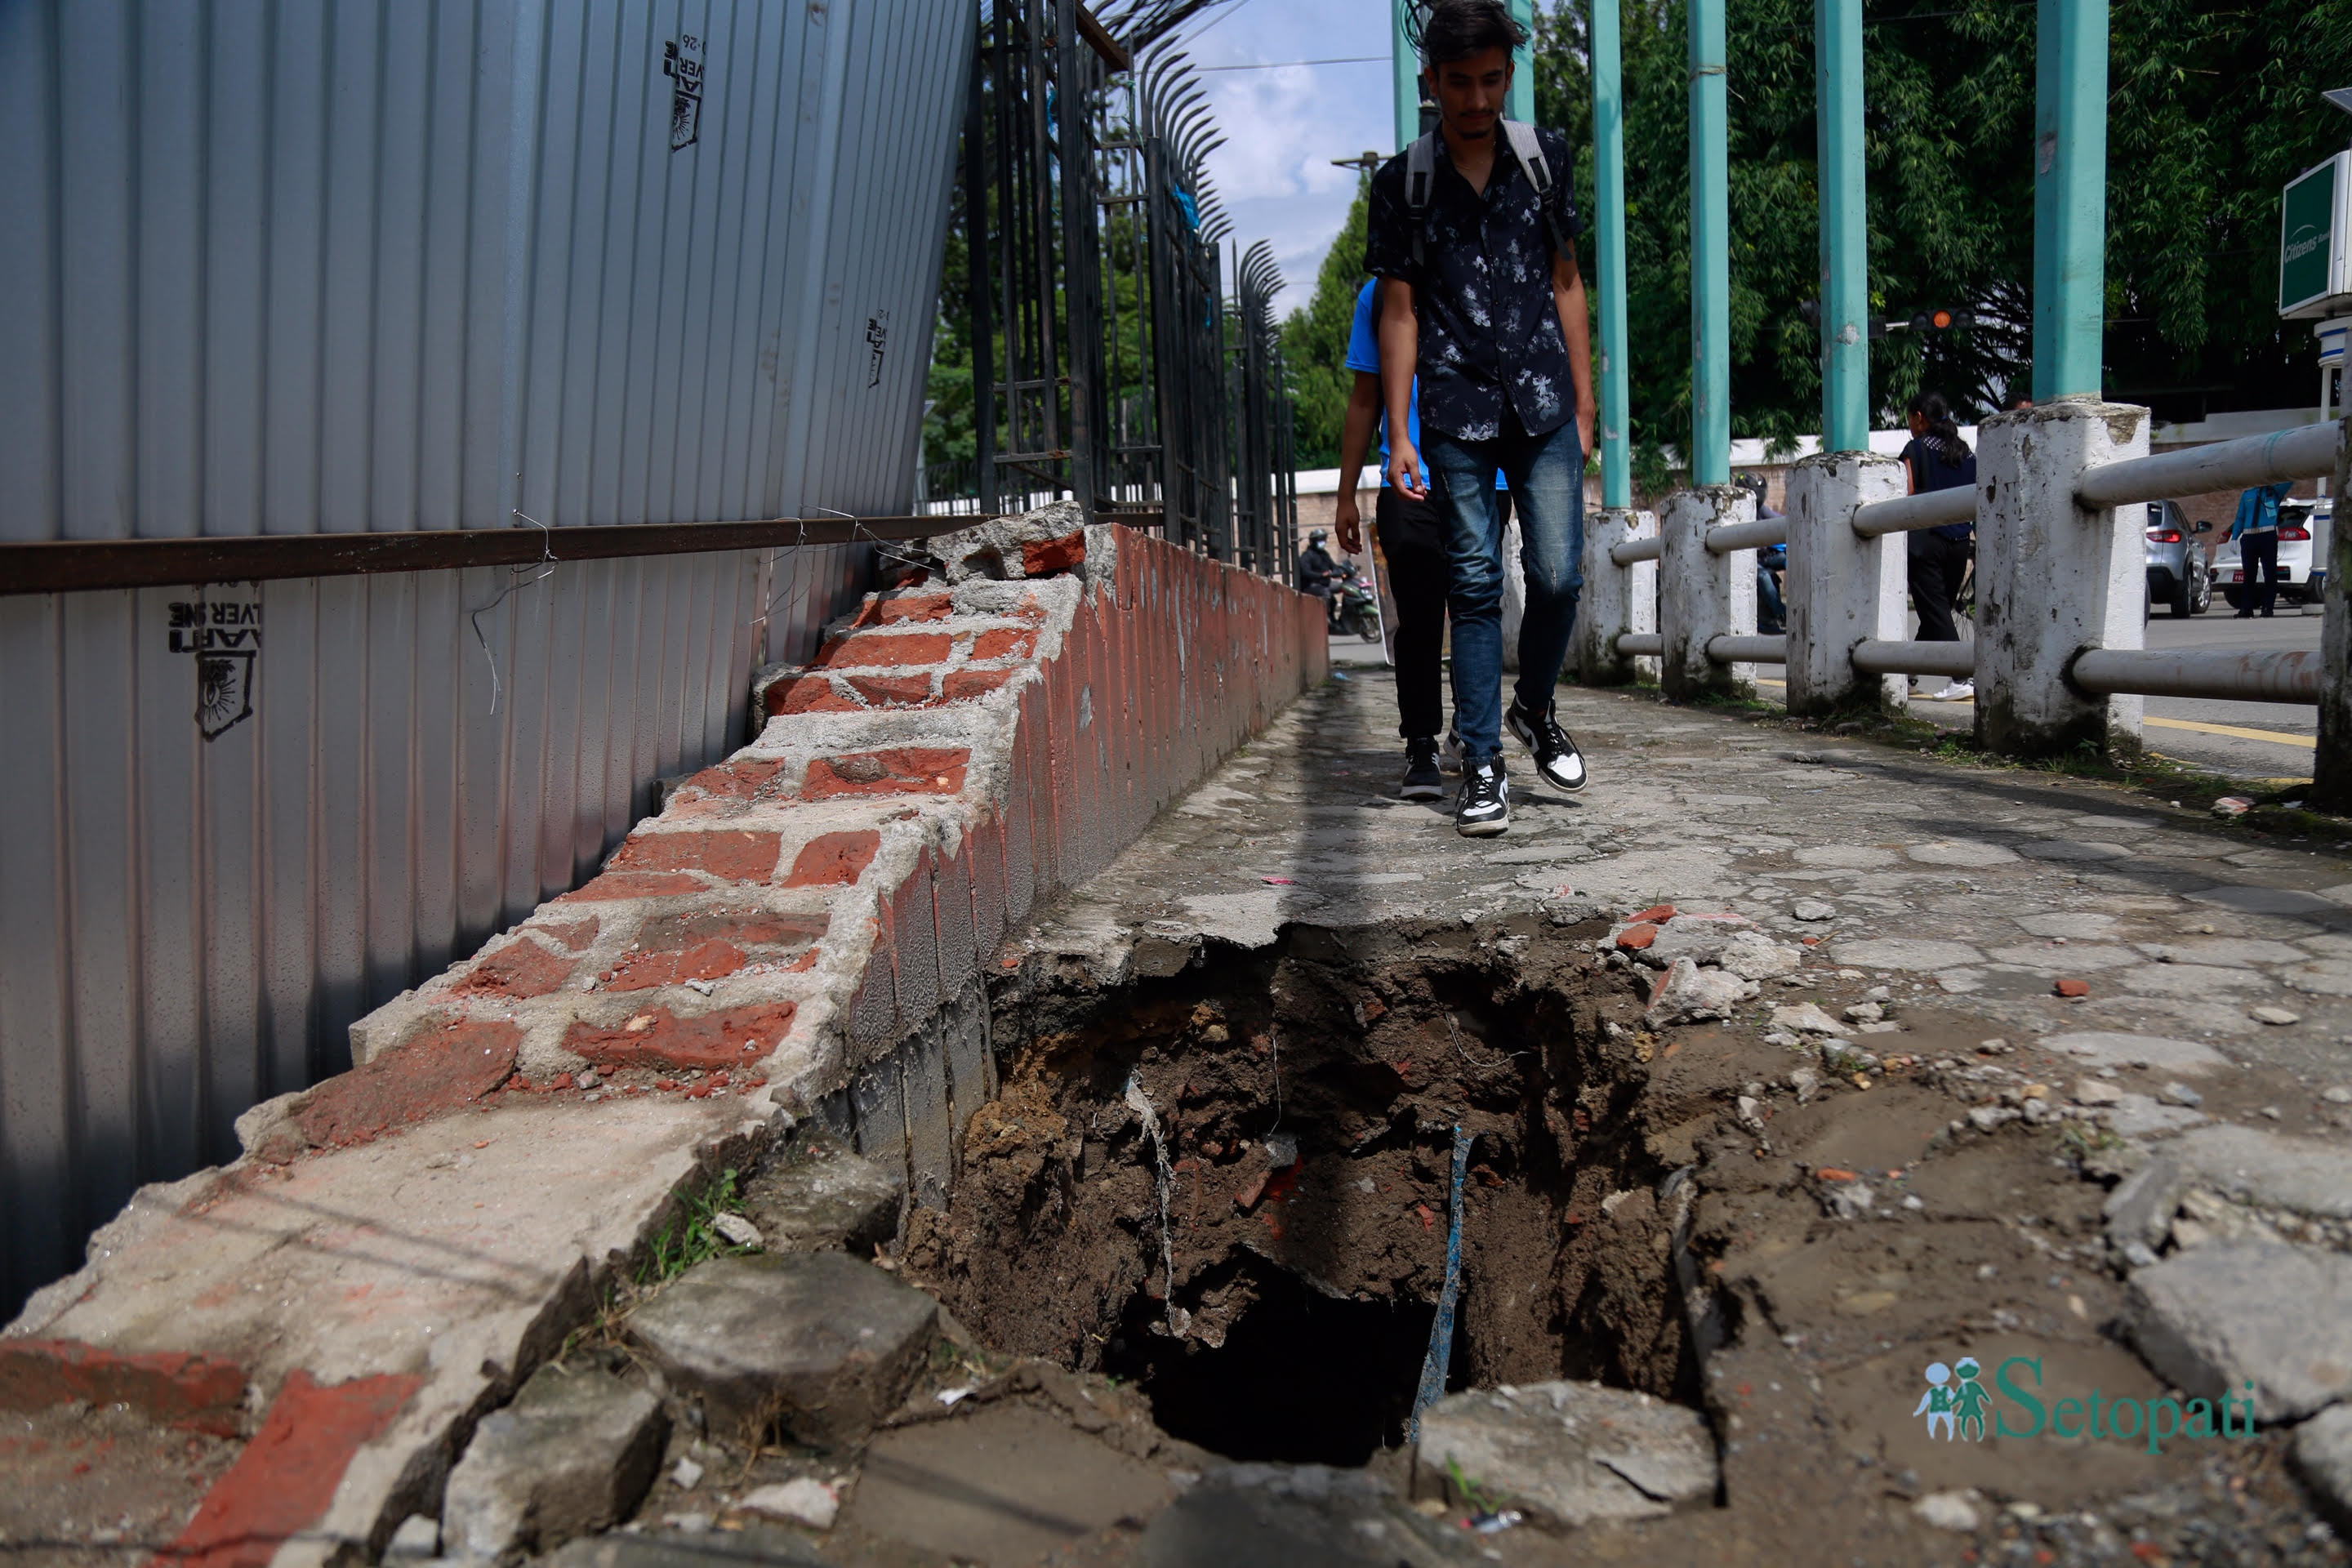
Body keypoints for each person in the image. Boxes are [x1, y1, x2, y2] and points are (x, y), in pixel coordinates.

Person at [1365, 0, 1597, 836]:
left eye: (1491, 80)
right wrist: (1398, 432)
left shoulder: (1544, 161)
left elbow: (1568, 282)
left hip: (1542, 405)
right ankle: (1484, 766)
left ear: (1508, 76)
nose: (1475, 99)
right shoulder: (1403, 184)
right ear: (1432, 81)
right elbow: (1398, 310)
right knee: (1473, 586)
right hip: (1454, 409)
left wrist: (1585, 396)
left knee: (1562, 574)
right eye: (1458, 82)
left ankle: (1533, 708)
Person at [1335, 278, 1511, 801]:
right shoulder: (1380, 294)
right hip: (1408, 480)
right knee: (1418, 618)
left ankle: (1474, 736)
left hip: (1485, 478)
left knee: (1475, 606)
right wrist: (1347, 494)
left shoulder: (1489, 268)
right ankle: (1420, 742)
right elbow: (1365, 397)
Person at [1900, 392, 1976, 702]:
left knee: (1935, 612)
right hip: (1959, 542)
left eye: (1909, 419)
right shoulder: (1967, 453)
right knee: (1936, 612)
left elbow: (1906, 491)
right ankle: (1907, 674)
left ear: (1919, 417)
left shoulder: (1916, 449)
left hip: (1926, 542)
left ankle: (1962, 676)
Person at [2230, 480, 2292, 618]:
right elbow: (2240, 517)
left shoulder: (2274, 492)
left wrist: (2272, 480)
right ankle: (2246, 609)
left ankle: (2267, 608)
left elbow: (2289, 481)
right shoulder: (2248, 494)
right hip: (2249, 536)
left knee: (2270, 574)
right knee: (2249, 575)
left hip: (2267, 535)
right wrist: (2234, 537)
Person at [1738, 473, 1786, 635]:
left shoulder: (1761, 509)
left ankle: (1805, 604)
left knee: (1790, 560)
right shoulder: (1739, 511)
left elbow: (1779, 521)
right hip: (1748, 561)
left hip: (1765, 557)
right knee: (1765, 576)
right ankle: (1784, 614)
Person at [1297, 528, 1343, 626]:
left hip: (1325, 583)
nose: (1323, 542)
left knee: (1343, 587)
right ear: (1314, 541)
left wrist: (1339, 571)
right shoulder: (1307, 556)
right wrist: (1321, 575)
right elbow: (1306, 572)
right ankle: (1323, 617)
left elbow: (1334, 566)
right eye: (1320, 540)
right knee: (1326, 593)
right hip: (1311, 585)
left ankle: (1342, 618)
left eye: (1324, 540)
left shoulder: (1324, 554)